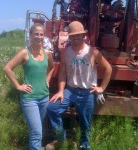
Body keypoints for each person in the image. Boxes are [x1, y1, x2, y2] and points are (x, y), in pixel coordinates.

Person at [46, 21, 112, 150]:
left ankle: (84, 146)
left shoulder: (92, 51)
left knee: (85, 123)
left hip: (88, 92)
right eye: (72, 36)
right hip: (70, 90)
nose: (75, 38)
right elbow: (63, 73)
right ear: (69, 37)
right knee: (52, 108)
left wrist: (101, 88)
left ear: (83, 35)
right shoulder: (65, 52)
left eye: (78, 35)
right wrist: (60, 91)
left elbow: (108, 68)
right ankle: (61, 139)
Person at [4, 23, 54, 150]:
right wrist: (18, 86)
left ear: (44, 37)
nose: (39, 37)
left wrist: (47, 80)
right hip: (29, 99)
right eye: (36, 34)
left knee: (37, 130)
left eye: (41, 34)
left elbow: (52, 68)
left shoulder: (47, 53)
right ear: (31, 35)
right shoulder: (24, 53)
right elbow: (7, 68)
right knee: (37, 132)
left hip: (44, 98)